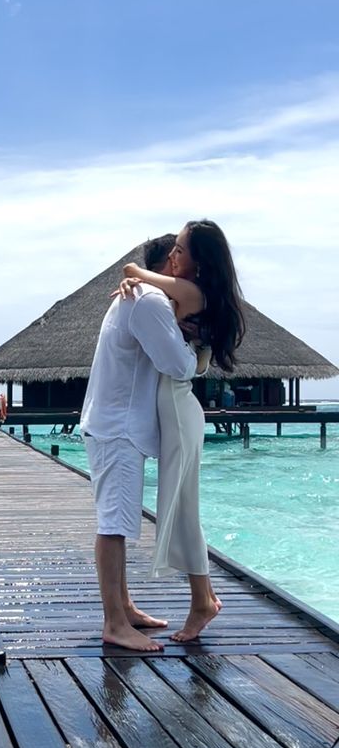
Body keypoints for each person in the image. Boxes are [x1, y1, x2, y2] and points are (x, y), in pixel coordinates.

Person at [120, 219, 245, 640]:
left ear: (199, 260)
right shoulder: (186, 291)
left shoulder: (191, 291)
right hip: (177, 408)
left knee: (184, 509)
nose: (173, 255)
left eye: (181, 249)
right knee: (184, 506)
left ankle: (201, 603)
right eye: (172, 249)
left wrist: (133, 279)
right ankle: (204, 598)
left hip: (176, 407)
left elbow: (139, 274)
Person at [80, 233, 198, 652]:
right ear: (167, 265)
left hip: (114, 424)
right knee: (114, 525)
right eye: (180, 261)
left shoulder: (142, 298)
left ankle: (124, 607)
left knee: (119, 520)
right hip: (118, 428)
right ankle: (114, 622)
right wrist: (193, 347)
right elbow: (177, 365)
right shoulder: (148, 301)